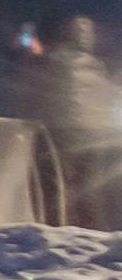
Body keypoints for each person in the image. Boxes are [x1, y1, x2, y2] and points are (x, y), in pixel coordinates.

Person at [40, 15, 122, 233]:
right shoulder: (97, 65)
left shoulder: (54, 61)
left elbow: (38, 96)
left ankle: (59, 230)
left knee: (57, 186)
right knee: (89, 189)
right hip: (96, 134)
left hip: (61, 132)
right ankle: (91, 231)